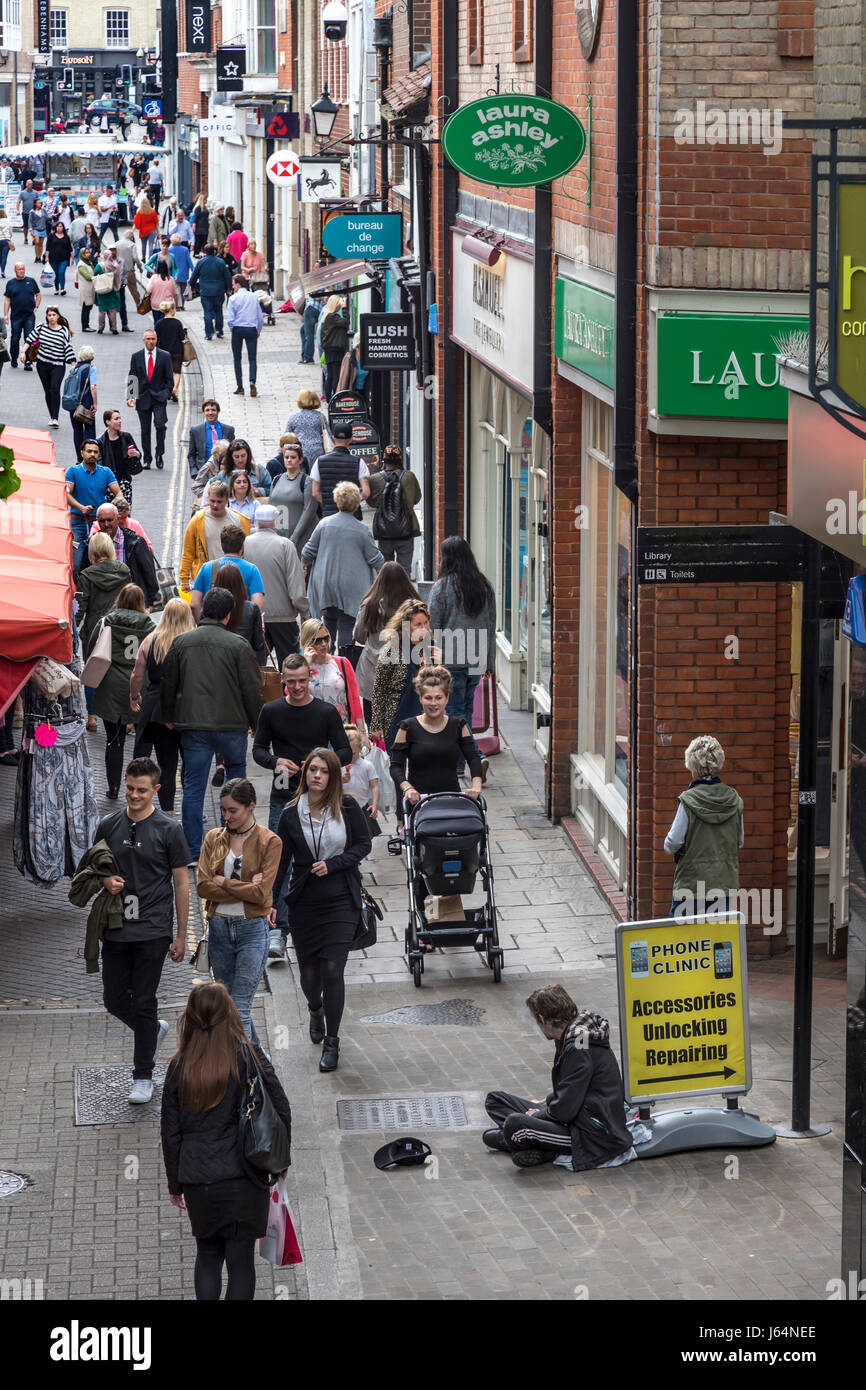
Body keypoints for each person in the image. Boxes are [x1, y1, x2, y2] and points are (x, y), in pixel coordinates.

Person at [160, 981, 292, 1300]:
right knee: (240, 1262)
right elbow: (280, 1107)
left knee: (207, 1256)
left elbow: (170, 1132)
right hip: (245, 1177)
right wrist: (280, 1160)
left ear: (190, 1017)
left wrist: (175, 1184)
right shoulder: (247, 1055)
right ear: (230, 1013)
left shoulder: (179, 1066)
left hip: (198, 1179)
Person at [88, 756, 190, 1104]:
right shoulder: (108, 824)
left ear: (156, 790)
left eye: (141, 790)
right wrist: (105, 879)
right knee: (114, 999)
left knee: (144, 1000)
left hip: (153, 929)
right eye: (130, 788)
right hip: (115, 927)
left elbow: (181, 884)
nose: (133, 795)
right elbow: (91, 868)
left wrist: (180, 935)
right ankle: (153, 1031)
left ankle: (143, 1075)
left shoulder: (169, 829)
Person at [270, 748, 371, 1071]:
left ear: (333, 776)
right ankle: (315, 1008)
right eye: (312, 769)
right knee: (310, 976)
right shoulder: (290, 814)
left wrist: (334, 864)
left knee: (332, 970)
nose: (317, 776)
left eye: (323, 771)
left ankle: (333, 1041)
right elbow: (280, 863)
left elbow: (363, 845)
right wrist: (271, 904)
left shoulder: (348, 806)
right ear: (305, 774)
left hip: (341, 898)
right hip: (303, 902)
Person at [253, 654, 353, 956]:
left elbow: (346, 751)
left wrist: (319, 764)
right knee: (278, 864)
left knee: (318, 861)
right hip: (284, 796)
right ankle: (279, 931)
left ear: (310, 677)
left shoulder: (325, 712)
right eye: (291, 681)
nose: (297, 687)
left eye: (301, 681)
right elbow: (258, 749)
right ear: (283, 679)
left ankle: (318, 923)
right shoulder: (271, 711)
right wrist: (275, 761)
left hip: (320, 799)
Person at [161, 586, 263, 861]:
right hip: (232, 727)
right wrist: (258, 724)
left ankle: (193, 851)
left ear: (204, 610)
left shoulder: (182, 643)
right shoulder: (239, 645)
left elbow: (168, 683)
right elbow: (251, 690)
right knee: (236, 783)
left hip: (194, 727)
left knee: (194, 788)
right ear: (229, 616)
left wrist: (169, 715)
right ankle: (232, 848)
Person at [483, 985, 634, 1170]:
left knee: (515, 1124)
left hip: (591, 1136)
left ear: (541, 1019)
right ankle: (520, 1139)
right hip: (576, 1116)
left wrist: (538, 1114)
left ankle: (531, 1144)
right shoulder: (574, 1036)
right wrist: (544, 1103)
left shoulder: (578, 1047)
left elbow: (564, 1110)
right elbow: (573, 1089)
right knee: (495, 1100)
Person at [196, 780, 281, 1043]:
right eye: (223, 810)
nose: (227, 816)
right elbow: (202, 886)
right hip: (219, 928)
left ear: (251, 806)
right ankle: (260, 1062)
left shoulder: (270, 841)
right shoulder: (214, 838)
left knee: (240, 1007)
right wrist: (242, 886)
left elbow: (261, 895)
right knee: (230, 1005)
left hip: (252, 929)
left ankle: (251, 1071)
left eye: (233, 810)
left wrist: (222, 881)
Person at [428, 537, 497, 768]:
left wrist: (430, 660)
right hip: (476, 658)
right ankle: (458, 766)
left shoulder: (442, 587)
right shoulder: (484, 586)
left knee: (456, 713)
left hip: (451, 658)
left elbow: (433, 627)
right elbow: (490, 627)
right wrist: (489, 662)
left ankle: (475, 758)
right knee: (465, 710)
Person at [370, 599, 439, 824]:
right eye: (417, 624)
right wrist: (376, 725)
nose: (423, 628)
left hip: (424, 718)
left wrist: (433, 666)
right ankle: (402, 821)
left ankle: (422, 815)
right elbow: (379, 688)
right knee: (399, 771)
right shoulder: (392, 649)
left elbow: (440, 687)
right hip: (396, 717)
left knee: (422, 768)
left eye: (425, 623)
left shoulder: (429, 650)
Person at [663, 734, 744, 917]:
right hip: (724, 882)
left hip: (691, 884)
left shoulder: (688, 800)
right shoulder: (734, 800)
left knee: (681, 938)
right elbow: (739, 842)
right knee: (719, 940)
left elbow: (672, 842)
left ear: (692, 765)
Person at [391, 666, 483, 821]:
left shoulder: (459, 726)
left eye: (438, 698)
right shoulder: (407, 727)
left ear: (447, 698)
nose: (433, 703)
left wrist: (476, 786)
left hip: (452, 799)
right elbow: (396, 766)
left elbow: (473, 758)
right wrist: (407, 788)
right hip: (419, 800)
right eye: (428, 698)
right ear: (420, 698)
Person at [130, 599, 197, 814]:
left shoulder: (151, 640)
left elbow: (137, 673)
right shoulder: (193, 642)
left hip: (158, 709)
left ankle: (167, 811)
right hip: (188, 708)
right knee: (191, 763)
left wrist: (134, 695)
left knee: (166, 764)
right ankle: (191, 807)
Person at [302, 482, 383, 656]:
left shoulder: (324, 524)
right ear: (356, 504)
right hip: (352, 588)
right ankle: (344, 665)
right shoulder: (362, 530)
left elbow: (307, 553)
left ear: (337, 501)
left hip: (325, 584)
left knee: (328, 621)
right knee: (347, 625)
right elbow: (376, 559)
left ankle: (326, 657)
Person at [91, 584, 155, 798]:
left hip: (111, 686)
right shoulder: (150, 625)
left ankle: (114, 787)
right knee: (143, 740)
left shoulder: (107, 621)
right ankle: (138, 785)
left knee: (114, 739)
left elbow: (93, 646)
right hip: (141, 685)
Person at [353, 562, 422, 723]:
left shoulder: (370, 604)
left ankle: (377, 748)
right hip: (406, 667)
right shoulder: (413, 605)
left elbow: (360, 636)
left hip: (373, 667)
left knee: (373, 717)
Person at [78, 530, 132, 730]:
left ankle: (92, 717)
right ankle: (124, 718)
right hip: (121, 628)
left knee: (93, 671)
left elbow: (80, 608)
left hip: (95, 630)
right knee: (122, 671)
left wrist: (71, 629)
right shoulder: (124, 571)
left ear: (92, 552)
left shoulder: (86, 575)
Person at [245, 503, 310, 666]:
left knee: (256, 666)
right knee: (290, 665)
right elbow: (296, 584)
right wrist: (304, 611)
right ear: (275, 521)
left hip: (254, 616)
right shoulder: (285, 545)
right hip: (284, 617)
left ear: (256, 521)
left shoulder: (244, 544)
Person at [179, 483, 252, 593]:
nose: (215, 505)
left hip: (233, 577)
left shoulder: (238, 520)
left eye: (219, 501)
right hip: (207, 577)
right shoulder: (197, 520)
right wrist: (184, 579)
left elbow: (246, 550)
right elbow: (188, 551)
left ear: (227, 500)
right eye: (212, 501)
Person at [66, 438, 122, 579]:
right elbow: (65, 494)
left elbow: (118, 493)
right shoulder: (73, 471)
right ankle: (76, 595)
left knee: (101, 561)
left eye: (95, 452)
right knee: (76, 563)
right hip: (77, 523)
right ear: (82, 453)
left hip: (100, 524)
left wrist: (114, 507)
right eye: (89, 451)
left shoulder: (106, 472)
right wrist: (81, 508)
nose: (92, 454)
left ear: (99, 454)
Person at [299, 617, 365, 735]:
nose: (324, 644)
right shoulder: (301, 667)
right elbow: (291, 694)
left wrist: (362, 732)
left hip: (342, 730)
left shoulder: (342, 663)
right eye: (317, 640)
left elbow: (354, 698)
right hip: (311, 731)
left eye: (326, 638)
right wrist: (306, 664)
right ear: (306, 642)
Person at [87, 503, 159, 608]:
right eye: (102, 521)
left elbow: (148, 572)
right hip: (103, 604)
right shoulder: (91, 543)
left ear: (117, 519)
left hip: (131, 601)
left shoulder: (136, 542)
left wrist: (151, 601)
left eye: (110, 520)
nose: (106, 524)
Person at [190, 524, 264, 620]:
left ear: (221, 545)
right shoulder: (252, 569)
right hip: (241, 629)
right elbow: (257, 603)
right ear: (242, 546)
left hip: (213, 629)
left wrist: (201, 624)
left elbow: (194, 604)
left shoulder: (207, 567)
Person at [368, 445, 421, 572]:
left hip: (384, 531)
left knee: (385, 569)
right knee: (405, 569)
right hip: (406, 530)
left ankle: (387, 592)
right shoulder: (409, 477)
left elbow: (371, 502)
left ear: (384, 461)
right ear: (401, 460)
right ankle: (403, 591)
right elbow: (417, 498)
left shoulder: (374, 479)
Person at [127, 329, 173, 470]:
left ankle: (159, 454)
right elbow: (132, 377)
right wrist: (131, 397)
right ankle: (147, 458)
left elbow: (169, 379)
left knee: (160, 426)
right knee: (145, 430)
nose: (151, 341)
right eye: (148, 339)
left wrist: (166, 393)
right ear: (144, 340)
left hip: (159, 398)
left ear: (156, 340)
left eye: (153, 339)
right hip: (143, 398)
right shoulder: (136, 356)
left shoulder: (165, 356)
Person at [24, 306, 76, 428]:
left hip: (58, 365)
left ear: (58, 316)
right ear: (46, 317)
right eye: (49, 315)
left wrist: (74, 364)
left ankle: (55, 417)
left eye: (54, 315)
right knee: (47, 391)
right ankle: (52, 416)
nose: (51, 317)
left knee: (54, 389)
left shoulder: (64, 331)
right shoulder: (41, 328)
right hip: (42, 364)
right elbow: (30, 339)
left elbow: (68, 348)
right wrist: (23, 353)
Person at [210, 558, 267, 665]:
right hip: (244, 664)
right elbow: (258, 644)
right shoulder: (251, 608)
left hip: (217, 663)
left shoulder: (211, 607)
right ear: (240, 583)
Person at [310, 421, 371, 516]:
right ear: (351, 439)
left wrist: (327, 505)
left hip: (329, 514)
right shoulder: (359, 462)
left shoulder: (319, 461)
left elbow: (315, 492)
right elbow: (366, 492)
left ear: (333, 438)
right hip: (352, 515)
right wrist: (351, 504)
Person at [269, 441, 318, 555]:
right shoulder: (276, 479)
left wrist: (295, 537)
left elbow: (309, 511)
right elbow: (270, 506)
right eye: (286, 457)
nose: (289, 460)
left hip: (300, 537)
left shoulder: (307, 481)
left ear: (300, 460)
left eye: (293, 457)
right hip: (279, 534)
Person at [96, 408, 142, 507]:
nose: (120, 421)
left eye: (120, 418)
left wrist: (137, 454)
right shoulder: (100, 441)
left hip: (124, 482)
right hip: (109, 485)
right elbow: (99, 465)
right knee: (110, 515)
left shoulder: (126, 437)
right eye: (116, 419)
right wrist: (105, 484)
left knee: (125, 516)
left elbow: (138, 454)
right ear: (107, 422)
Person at [227, 274, 263, 397]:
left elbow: (230, 319)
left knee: (237, 358)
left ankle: (240, 387)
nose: (232, 286)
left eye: (233, 284)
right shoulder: (254, 297)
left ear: (238, 284)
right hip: (251, 329)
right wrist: (258, 330)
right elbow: (259, 316)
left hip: (238, 329)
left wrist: (232, 329)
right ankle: (252, 381)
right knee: (252, 358)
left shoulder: (233, 299)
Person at [342, 724, 380, 835]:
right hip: (342, 807)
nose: (349, 756)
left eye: (353, 753)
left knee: (364, 836)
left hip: (362, 806)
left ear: (359, 748)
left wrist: (375, 804)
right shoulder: (338, 765)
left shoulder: (367, 766)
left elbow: (375, 786)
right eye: (347, 753)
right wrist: (341, 780)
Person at [189, 244, 232, 340]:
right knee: (218, 311)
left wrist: (193, 287)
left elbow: (193, 277)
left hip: (205, 291)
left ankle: (208, 334)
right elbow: (227, 276)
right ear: (214, 251)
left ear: (204, 252)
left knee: (207, 312)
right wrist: (229, 288)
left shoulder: (201, 262)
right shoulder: (221, 262)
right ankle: (219, 331)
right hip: (219, 291)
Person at [4, 261, 41, 369]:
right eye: (19, 269)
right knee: (15, 338)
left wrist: (36, 306)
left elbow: (38, 295)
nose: (21, 271)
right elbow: (7, 300)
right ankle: (14, 358)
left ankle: (28, 361)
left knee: (29, 338)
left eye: (23, 269)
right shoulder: (11, 283)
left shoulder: (31, 281)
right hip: (16, 315)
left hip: (29, 315)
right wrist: (6, 315)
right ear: (15, 270)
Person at [188, 400, 236, 480]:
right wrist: (194, 471)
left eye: (213, 410)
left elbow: (233, 452)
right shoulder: (195, 430)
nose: (210, 413)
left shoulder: (229, 430)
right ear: (203, 412)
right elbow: (191, 454)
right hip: (204, 472)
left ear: (218, 412)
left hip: (224, 472)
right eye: (207, 410)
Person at [318, 293, 350, 400]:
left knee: (330, 375)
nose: (340, 305)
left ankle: (328, 399)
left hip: (329, 349)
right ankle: (335, 399)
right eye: (339, 303)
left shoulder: (326, 316)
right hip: (335, 349)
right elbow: (346, 322)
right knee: (335, 375)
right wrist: (344, 308)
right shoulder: (333, 317)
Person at [284, 388, 329, 464]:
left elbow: (286, 437)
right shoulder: (320, 416)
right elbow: (328, 434)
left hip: (299, 451)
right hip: (317, 450)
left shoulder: (294, 417)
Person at [154, 300, 186, 401]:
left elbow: (156, 337)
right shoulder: (177, 323)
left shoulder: (159, 323)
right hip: (177, 350)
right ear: (171, 310)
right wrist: (184, 331)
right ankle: (174, 388)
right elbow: (182, 337)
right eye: (174, 308)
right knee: (176, 372)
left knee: (166, 373)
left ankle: (168, 389)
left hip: (164, 351)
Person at [93, 248, 122, 334]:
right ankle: (114, 328)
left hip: (102, 289)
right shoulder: (115, 265)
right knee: (112, 310)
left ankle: (100, 328)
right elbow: (118, 277)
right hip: (112, 290)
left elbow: (94, 275)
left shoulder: (100, 265)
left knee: (102, 311)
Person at [115, 229, 143, 310]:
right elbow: (135, 257)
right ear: (131, 237)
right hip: (129, 271)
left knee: (119, 289)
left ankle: (118, 306)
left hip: (119, 272)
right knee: (133, 289)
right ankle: (139, 305)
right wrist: (140, 267)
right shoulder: (132, 245)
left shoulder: (116, 244)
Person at [146, 260, 179, 327]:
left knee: (157, 322)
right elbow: (175, 294)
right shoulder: (171, 279)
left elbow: (148, 290)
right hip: (168, 305)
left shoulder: (154, 278)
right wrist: (176, 305)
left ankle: (158, 335)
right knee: (166, 324)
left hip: (156, 304)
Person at [46, 222, 73, 296]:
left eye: (61, 226)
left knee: (61, 272)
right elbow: (48, 247)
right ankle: (57, 289)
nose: (59, 228)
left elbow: (70, 248)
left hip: (64, 258)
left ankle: (63, 289)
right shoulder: (51, 236)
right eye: (58, 226)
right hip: (53, 258)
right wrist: (47, 257)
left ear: (63, 228)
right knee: (56, 274)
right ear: (55, 227)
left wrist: (72, 258)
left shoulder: (66, 237)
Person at [299, 286, 324, 365]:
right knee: (303, 331)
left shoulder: (318, 281)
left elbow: (315, 294)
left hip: (311, 308)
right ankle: (305, 356)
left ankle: (308, 358)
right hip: (316, 309)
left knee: (308, 334)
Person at [169, 233, 194, 303]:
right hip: (184, 273)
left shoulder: (169, 250)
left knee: (177, 289)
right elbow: (189, 261)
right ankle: (181, 305)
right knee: (182, 290)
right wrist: (193, 270)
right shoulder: (185, 250)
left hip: (174, 273)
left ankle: (179, 305)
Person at [76, 246, 96, 331]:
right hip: (85, 289)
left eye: (89, 252)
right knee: (86, 307)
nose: (88, 254)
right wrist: (96, 278)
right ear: (82, 255)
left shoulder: (89, 263)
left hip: (90, 288)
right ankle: (85, 326)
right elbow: (87, 276)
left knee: (89, 307)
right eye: (86, 253)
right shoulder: (81, 265)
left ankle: (87, 325)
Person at [16, 180, 38, 247]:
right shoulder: (22, 193)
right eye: (28, 184)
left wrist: (38, 209)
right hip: (25, 212)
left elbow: (38, 202)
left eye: (31, 184)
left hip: (34, 212)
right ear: (26, 185)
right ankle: (25, 238)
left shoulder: (35, 192)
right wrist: (18, 210)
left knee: (34, 226)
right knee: (25, 226)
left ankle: (34, 238)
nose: (30, 185)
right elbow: (18, 202)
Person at [29, 199, 48, 263]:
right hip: (36, 229)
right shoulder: (32, 212)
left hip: (43, 228)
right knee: (37, 242)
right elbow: (30, 221)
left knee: (41, 244)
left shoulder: (43, 210)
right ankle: (37, 256)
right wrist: (31, 230)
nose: (40, 204)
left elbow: (47, 217)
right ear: (35, 204)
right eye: (38, 203)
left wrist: (52, 216)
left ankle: (39, 257)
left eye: (40, 203)